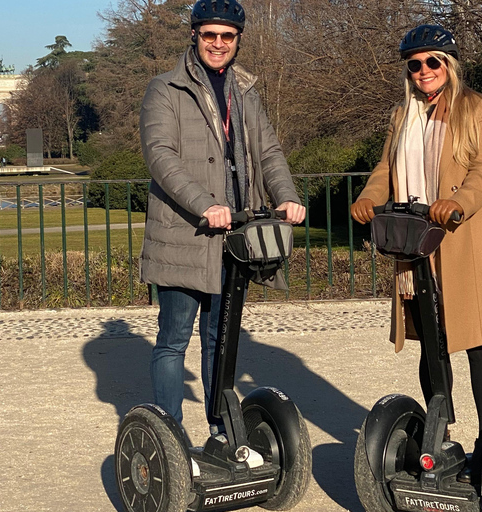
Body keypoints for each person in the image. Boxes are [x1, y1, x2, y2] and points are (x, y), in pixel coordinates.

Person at [350, 24, 482, 484]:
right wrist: (368, 197)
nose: (424, 71)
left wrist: (458, 203)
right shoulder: (402, 114)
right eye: (415, 64)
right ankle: (440, 437)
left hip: (461, 238)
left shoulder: (476, 107)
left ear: (448, 64)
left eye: (432, 62)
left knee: (476, 339)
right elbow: (386, 168)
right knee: (431, 339)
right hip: (415, 243)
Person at [139, 0, 306, 436]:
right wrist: (203, 204)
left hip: (237, 234)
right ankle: (170, 437)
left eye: (226, 36)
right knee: (174, 340)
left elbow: (268, 153)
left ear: (237, 40)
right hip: (186, 233)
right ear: (194, 34)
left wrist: (286, 197)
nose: (218, 43)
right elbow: (161, 157)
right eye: (209, 34)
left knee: (221, 340)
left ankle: (220, 430)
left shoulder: (245, 91)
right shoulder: (165, 88)